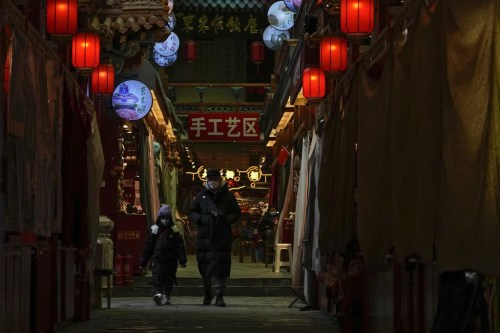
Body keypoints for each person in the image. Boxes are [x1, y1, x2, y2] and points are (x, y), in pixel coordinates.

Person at [189, 168, 241, 307]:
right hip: (205, 237)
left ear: (220, 180)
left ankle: (219, 296)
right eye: (211, 180)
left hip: (222, 235)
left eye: (215, 180)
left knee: (221, 266)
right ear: (207, 180)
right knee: (205, 266)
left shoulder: (228, 196)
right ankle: (207, 294)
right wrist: (200, 220)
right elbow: (193, 211)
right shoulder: (201, 196)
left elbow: (236, 212)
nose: (213, 183)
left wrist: (225, 220)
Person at [139, 204, 187, 305]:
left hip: (171, 259)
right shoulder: (154, 230)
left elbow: (180, 246)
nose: (165, 220)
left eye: (167, 218)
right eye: (163, 218)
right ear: (160, 218)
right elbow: (148, 247)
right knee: (157, 277)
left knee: (169, 278)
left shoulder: (174, 231)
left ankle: (166, 295)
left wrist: (182, 260)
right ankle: (158, 293)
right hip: (157, 259)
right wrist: (143, 262)